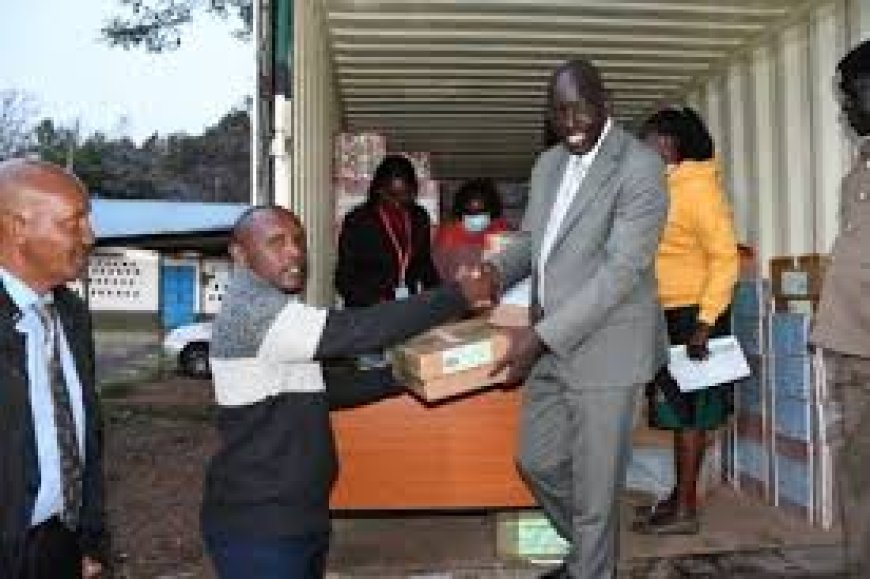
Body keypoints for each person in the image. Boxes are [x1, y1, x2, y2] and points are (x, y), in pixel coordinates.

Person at [200, 206, 489, 579]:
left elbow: (322, 388)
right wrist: (457, 295)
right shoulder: (255, 314)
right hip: (259, 527)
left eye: (298, 241)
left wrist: (405, 375)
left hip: (296, 515)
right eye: (276, 243)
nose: (294, 253)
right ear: (240, 255)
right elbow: (363, 330)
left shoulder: (279, 310)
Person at [480, 59, 669, 578]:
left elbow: (621, 273)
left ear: (606, 102)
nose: (572, 123)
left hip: (607, 348)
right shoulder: (548, 166)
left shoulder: (639, 167)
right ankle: (591, 555)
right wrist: (495, 272)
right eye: (560, 113)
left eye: (581, 109)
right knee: (536, 461)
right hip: (551, 339)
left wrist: (538, 337)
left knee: (594, 489)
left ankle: (590, 565)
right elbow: (533, 241)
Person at [633, 107, 740, 535]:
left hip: (694, 316)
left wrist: (706, 322)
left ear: (667, 144)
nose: (640, 149)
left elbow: (725, 257)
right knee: (674, 411)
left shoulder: (698, 189)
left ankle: (685, 513)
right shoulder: (665, 187)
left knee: (689, 417)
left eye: (646, 140)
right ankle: (679, 501)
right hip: (666, 312)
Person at [0, 159, 107, 578]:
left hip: (58, 543)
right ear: (16, 227)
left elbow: (87, 433)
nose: (90, 236)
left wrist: (88, 539)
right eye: (73, 223)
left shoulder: (71, 315)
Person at [810, 39, 870, 577]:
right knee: (857, 476)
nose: (846, 108)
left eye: (853, 94)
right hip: (851, 351)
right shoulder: (860, 171)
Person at [335, 154, 439, 307]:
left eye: (405, 194)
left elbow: (424, 264)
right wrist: (375, 303)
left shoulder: (420, 217)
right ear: (379, 189)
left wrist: (439, 298)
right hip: (368, 308)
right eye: (392, 195)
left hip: (406, 305)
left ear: (413, 189)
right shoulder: (357, 220)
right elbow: (344, 278)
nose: (398, 202)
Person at [433, 178, 511, 280]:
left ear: (492, 211)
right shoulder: (448, 233)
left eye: (481, 211)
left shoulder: (501, 230)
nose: (475, 217)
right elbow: (439, 270)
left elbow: (508, 265)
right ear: (460, 211)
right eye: (470, 212)